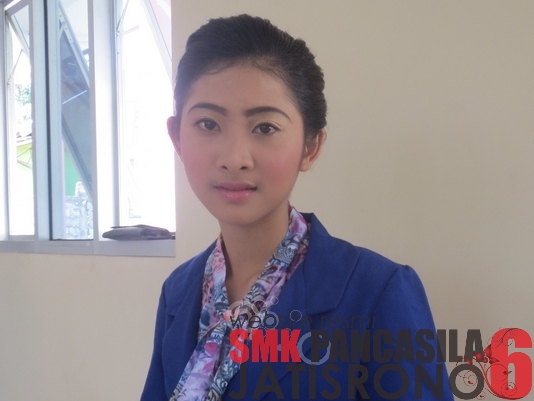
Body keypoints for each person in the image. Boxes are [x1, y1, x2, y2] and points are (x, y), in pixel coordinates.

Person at [141, 14, 453, 401]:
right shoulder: (179, 292)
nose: (235, 158)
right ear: (176, 138)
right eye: (208, 124)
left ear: (310, 147)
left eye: (265, 128)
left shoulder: (377, 293)